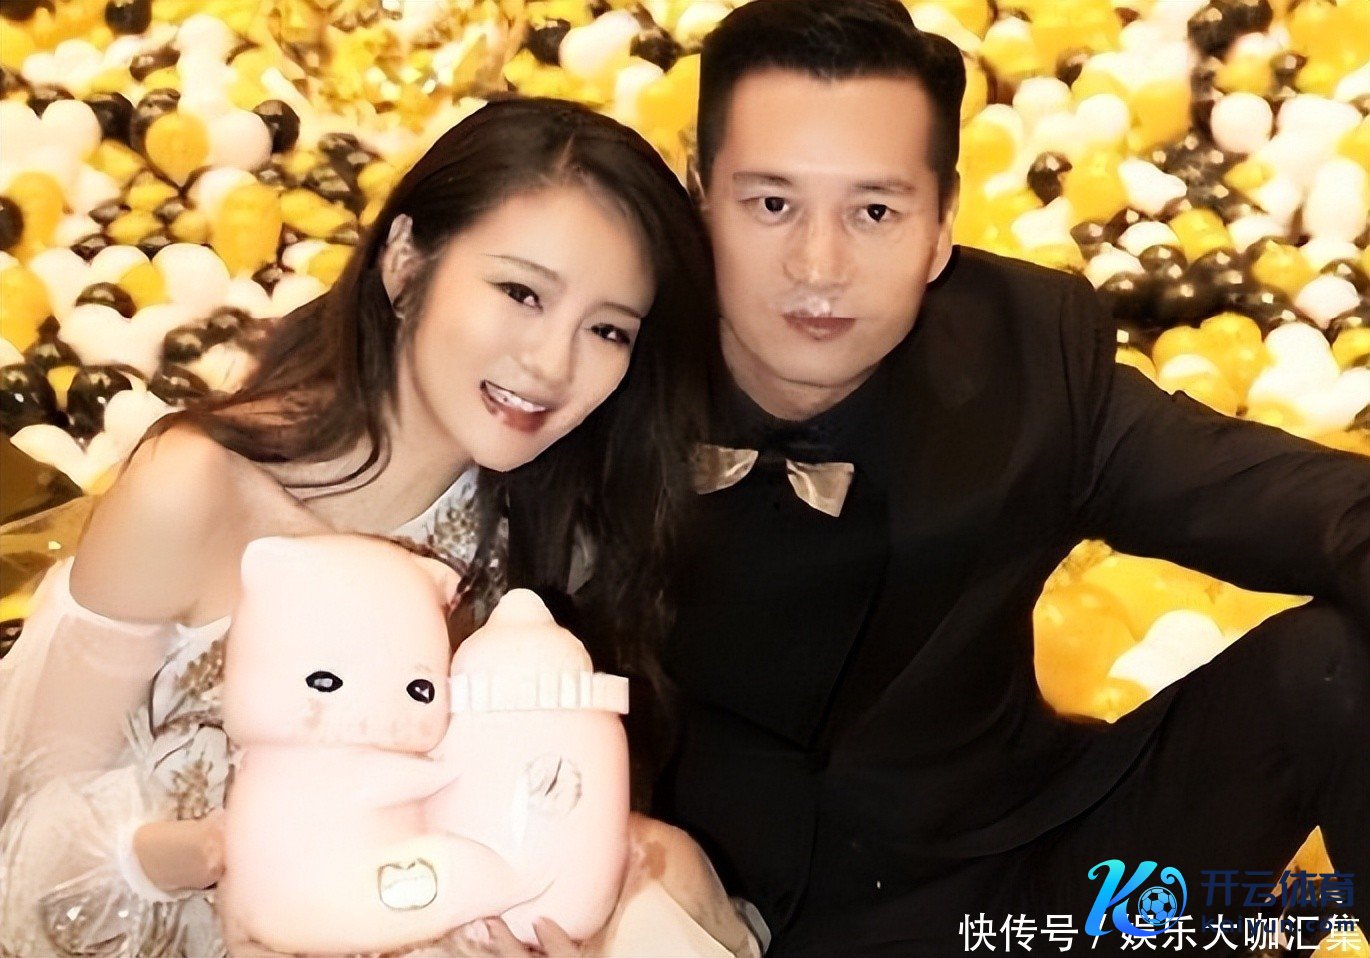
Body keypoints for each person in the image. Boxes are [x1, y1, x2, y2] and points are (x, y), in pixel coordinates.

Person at [651, 1, 1370, 955]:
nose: (817, 266)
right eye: (771, 204)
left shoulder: (1024, 357)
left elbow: (1309, 508)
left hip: (1024, 901)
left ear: (942, 222)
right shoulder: (600, 362)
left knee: (1337, 665)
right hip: (695, 915)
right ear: (700, 197)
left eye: (875, 211)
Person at [0, 95, 757, 958]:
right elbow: (24, 840)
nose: (553, 363)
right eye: (521, 292)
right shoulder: (197, 491)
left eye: (608, 330)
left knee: (667, 875)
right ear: (404, 263)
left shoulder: (551, 530)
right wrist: (202, 857)